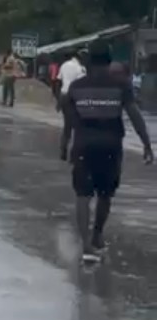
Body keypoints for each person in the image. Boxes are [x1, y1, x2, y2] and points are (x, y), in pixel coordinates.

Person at [60, 41, 153, 263]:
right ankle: (98, 234)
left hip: (83, 147)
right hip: (110, 147)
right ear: (110, 60)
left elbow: (69, 123)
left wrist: (64, 146)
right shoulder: (121, 85)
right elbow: (134, 114)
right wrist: (147, 144)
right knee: (105, 194)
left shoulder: (76, 88)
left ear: (88, 61)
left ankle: (86, 246)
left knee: (82, 195)